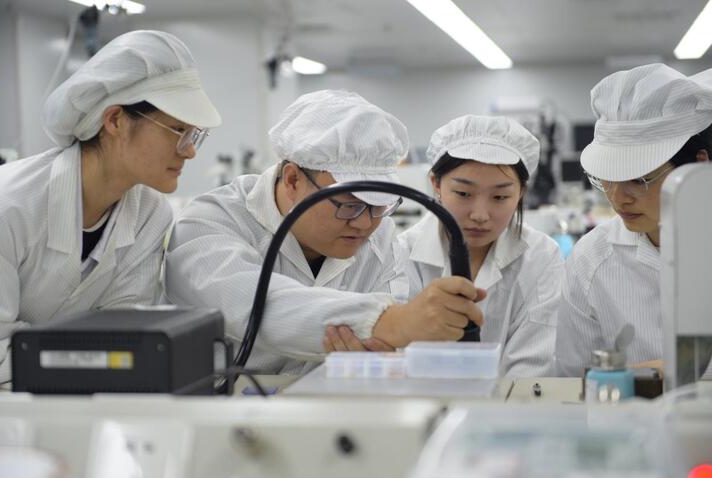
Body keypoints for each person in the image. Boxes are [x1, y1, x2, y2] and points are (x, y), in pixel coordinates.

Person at [165, 90, 484, 374]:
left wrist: (381, 345)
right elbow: (253, 303)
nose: (364, 223)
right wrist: (389, 322)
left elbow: (382, 345)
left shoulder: (380, 234)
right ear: (292, 179)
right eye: (349, 204)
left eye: (378, 205)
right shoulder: (211, 221)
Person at [0, 30, 221, 384]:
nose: (190, 150)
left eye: (195, 135)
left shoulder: (149, 213)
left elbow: (122, 336)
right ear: (114, 121)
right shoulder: (6, 206)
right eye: (178, 130)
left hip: (78, 394)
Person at [325, 115, 562, 378]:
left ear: (521, 193)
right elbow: (386, 356)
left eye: (500, 197)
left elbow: (533, 368)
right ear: (436, 184)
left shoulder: (540, 257)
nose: (480, 215)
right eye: (463, 194)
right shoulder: (399, 253)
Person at [555, 63, 711, 377]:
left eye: (639, 179)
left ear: (698, 166)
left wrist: (676, 373)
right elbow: (574, 379)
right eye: (607, 178)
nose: (618, 198)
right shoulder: (591, 259)